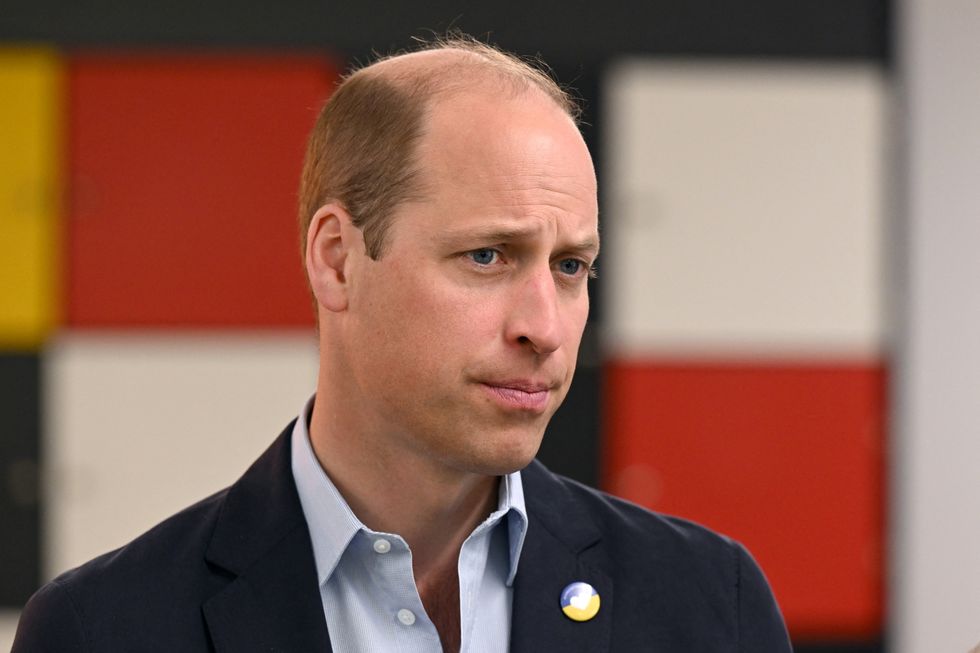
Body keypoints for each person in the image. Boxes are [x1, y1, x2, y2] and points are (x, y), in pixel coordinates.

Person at [13, 37, 792, 652]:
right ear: (337, 260)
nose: (545, 327)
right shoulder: (101, 630)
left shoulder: (710, 604)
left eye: (569, 267)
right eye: (487, 255)